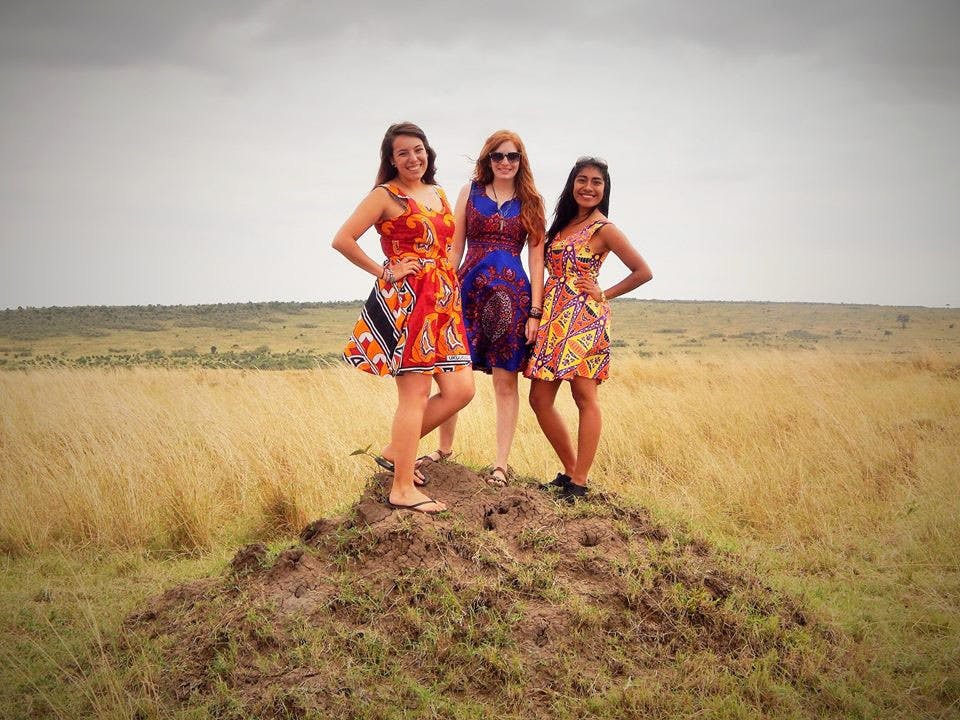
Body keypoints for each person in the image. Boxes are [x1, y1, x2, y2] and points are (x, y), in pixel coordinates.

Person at [333, 122, 475, 515]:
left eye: (418, 150)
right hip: (409, 304)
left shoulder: (439, 193)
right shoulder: (384, 195)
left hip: (443, 304)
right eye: (403, 153)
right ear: (391, 160)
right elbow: (343, 239)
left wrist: (448, 277)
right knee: (413, 395)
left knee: (461, 389)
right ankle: (401, 488)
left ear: (427, 152)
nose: (413, 158)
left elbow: (447, 245)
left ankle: (398, 451)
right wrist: (386, 271)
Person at [419, 130, 546, 487]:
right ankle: (444, 449)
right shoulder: (469, 193)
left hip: (514, 299)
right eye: (498, 156)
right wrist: (442, 290)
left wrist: (535, 313)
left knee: (506, 381)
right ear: (487, 159)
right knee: (451, 372)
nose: (505, 162)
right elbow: (455, 247)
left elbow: (537, 261)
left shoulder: (532, 200)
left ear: (522, 160)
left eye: (513, 156)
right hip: (467, 292)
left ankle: (501, 465)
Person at [525, 156, 652, 502]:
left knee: (584, 398)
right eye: (583, 180)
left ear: (605, 190)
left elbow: (643, 271)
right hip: (552, 317)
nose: (589, 187)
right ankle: (570, 470)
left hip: (584, 319)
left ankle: (579, 482)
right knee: (539, 399)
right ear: (572, 184)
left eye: (597, 182)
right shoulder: (561, 225)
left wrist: (604, 293)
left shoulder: (603, 228)